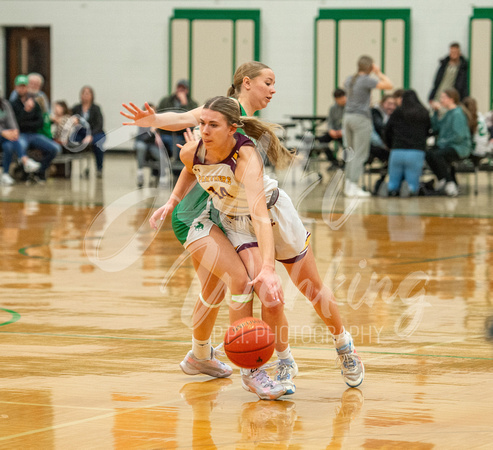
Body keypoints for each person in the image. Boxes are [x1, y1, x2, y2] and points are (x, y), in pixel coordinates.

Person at [150, 97, 365, 394]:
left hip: (272, 215)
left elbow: (260, 216)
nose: (204, 131)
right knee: (268, 296)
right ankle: (280, 362)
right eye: (202, 124)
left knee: (311, 287)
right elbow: (190, 167)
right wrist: (172, 201)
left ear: (232, 129)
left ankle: (344, 346)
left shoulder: (246, 159)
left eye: (213, 125)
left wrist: (268, 267)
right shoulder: (194, 149)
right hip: (236, 223)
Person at [122, 62, 296, 399]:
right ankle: (253, 371)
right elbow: (188, 132)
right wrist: (155, 122)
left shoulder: (240, 127)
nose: (273, 89)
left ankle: (199, 355)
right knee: (241, 282)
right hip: (198, 214)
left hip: (222, 216)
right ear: (246, 84)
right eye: (268, 82)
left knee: (214, 292)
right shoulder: (221, 113)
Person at [342, 55, 393, 197]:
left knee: (351, 153)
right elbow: (389, 85)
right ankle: (353, 186)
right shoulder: (366, 80)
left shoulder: (349, 79)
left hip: (347, 117)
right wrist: (378, 72)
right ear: (370, 67)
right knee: (360, 154)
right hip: (361, 119)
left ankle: (348, 186)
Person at [9, 74, 60, 183]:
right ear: (16, 87)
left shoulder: (36, 102)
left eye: (24, 86)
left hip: (34, 134)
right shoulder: (13, 104)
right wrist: (26, 111)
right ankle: (24, 173)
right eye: (20, 86)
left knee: (55, 149)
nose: (22, 89)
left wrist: (27, 123)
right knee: (20, 147)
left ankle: (39, 172)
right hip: (20, 135)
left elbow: (40, 122)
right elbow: (15, 123)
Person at [383, 90, 431, 196]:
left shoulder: (397, 112)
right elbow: (428, 130)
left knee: (393, 180)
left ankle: (391, 189)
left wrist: (390, 145)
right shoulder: (423, 112)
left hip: (397, 151)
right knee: (413, 182)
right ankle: (410, 189)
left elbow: (387, 130)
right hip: (416, 152)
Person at [427, 88, 473, 197]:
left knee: (438, 155)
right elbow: (436, 127)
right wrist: (436, 112)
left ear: (451, 99)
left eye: (443, 97)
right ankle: (443, 179)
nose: (441, 100)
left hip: (459, 147)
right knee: (428, 154)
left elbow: (459, 136)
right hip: (448, 145)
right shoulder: (448, 113)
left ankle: (449, 181)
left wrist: (441, 143)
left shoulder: (457, 114)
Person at [1, 93, 41, 185]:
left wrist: (15, 130)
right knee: (11, 140)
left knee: (8, 146)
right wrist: (3, 132)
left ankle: (5, 174)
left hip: (7, 136)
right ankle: (25, 160)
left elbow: (11, 119)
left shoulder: (5, 104)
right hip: (3, 133)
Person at [157, 79, 198, 160]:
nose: (180, 91)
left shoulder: (192, 104)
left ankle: (176, 165)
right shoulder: (166, 101)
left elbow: (191, 119)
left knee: (179, 144)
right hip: (166, 132)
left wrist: (184, 104)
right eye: (179, 88)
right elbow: (159, 116)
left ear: (187, 90)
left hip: (182, 133)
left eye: (183, 88)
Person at [71, 86, 106, 177]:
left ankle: (99, 168)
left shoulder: (96, 108)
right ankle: (69, 168)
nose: (86, 95)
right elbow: (69, 118)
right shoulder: (76, 108)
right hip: (81, 132)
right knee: (71, 141)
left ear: (92, 95)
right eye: (84, 93)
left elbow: (99, 124)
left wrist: (90, 136)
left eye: (88, 93)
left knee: (98, 143)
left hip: (96, 133)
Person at [133, 103, 165, 188]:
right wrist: (151, 131)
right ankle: (140, 172)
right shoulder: (141, 121)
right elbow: (143, 137)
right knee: (141, 147)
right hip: (142, 142)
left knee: (161, 155)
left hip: (152, 145)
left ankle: (162, 176)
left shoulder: (158, 122)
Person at [318, 88, 346, 168]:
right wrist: (331, 130)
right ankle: (333, 161)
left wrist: (343, 132)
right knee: (322, 140)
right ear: (336, 99)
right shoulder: (333, 108)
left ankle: (345, 163)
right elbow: (330, 121)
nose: (342, 100)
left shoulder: (349, 108)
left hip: (344, 133)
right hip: (335, 131)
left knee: (347, 143)